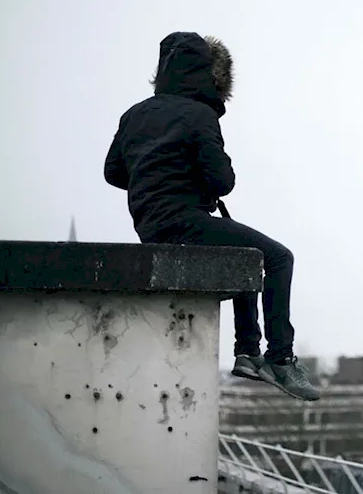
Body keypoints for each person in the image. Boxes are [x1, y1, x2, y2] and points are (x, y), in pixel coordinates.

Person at [103, 31, 321, 402]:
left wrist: (153, 182)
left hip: (149, 225)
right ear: (208, 74)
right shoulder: (200, 114)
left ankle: (248, 354)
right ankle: (280, 358)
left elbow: (113, 173)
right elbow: (223, 180)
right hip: (184, 220)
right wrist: (193, 183)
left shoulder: (134, 115)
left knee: (239, 249)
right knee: (279, 257)